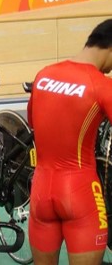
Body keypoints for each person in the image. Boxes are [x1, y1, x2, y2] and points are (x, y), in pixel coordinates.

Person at [27, 19, 112, 265]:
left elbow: (35, 123)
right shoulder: (101, 85)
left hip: (41, 193)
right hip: (80, 191)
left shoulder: (43, 76)